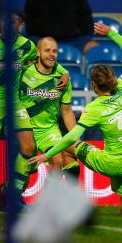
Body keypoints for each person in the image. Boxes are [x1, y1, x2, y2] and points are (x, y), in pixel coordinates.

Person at [29, 22, 122, 217]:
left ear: (93, 84)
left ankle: (53, 195)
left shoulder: (94, 108)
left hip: (108, 163)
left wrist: (46, 154)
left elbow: (71, 137)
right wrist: (111, 33)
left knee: (72, 144)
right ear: (113, 79)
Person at [0, 11, 69, 212]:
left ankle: (13, 194)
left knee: (29, 147)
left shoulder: (27, 46)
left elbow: (45, 60)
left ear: (20, 26)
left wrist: (62, 71)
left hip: (15, 102)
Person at [19, 36, 79, 175]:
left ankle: (48, 197)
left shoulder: (63, 80)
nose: (52, 54)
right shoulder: (23, 73)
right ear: (38, 53)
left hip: (48, 131)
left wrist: (75, 136)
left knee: (57, 161)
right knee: (21, 179)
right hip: (24, 129)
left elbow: (67, 111)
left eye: (55, 51)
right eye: (47, 50)